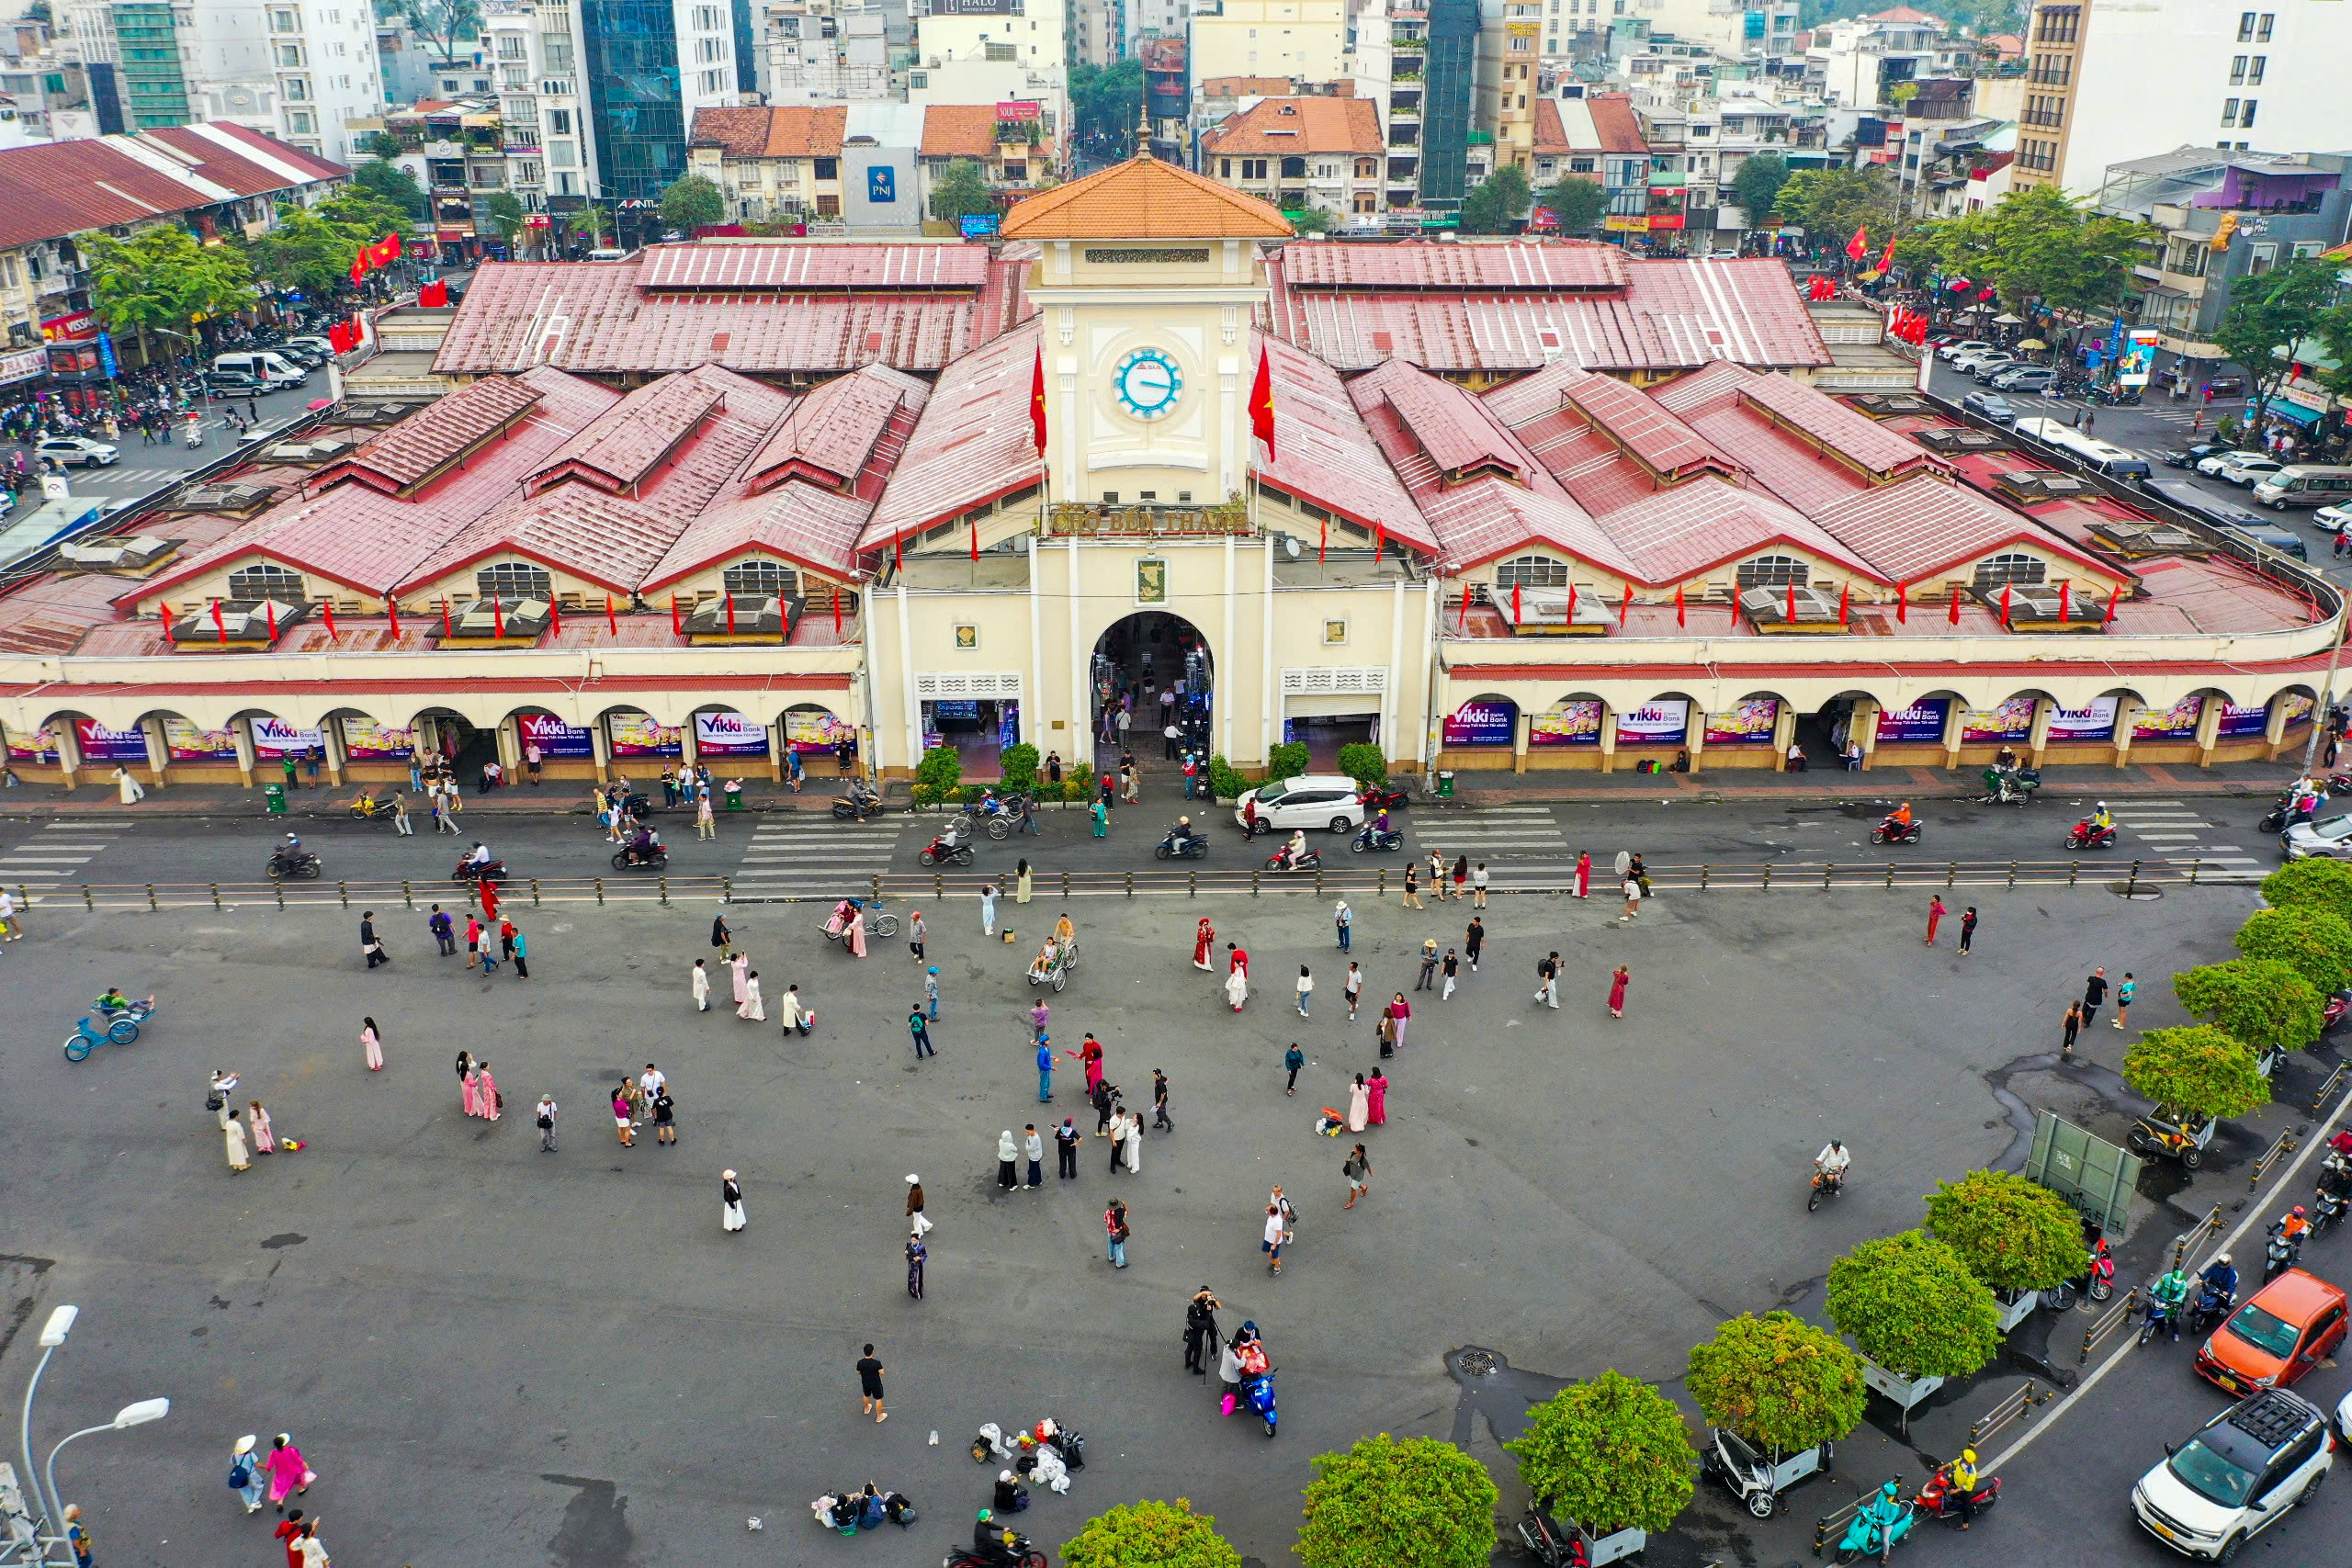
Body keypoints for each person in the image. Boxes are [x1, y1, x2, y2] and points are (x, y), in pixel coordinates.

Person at [2148, 1264, 2189, 1338]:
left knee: (2176, 1319)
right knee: (2151, 1308)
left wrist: (2174, 1301)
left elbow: (2181, 1295)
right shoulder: (2166, 1277)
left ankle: (2175, 1333)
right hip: (2162, 1298)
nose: (2176, 1283)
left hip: (2174, 1302)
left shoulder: (2183, 1285)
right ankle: (2147, 1320)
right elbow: (2158, 1285)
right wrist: (2152, 1291)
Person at [721, 1169, 746, 1233]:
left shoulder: (734, 1183)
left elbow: (737, 1190)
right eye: (733, 1177)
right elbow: (728, 1197)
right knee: (733, 1215)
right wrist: (732, 1205)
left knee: (738, 1212)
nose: (734, 1177)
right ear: (729, 1179)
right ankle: (736, 1226)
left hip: (736, 1201)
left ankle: (739, 1223)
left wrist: (740, 1197)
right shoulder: (727, 1188)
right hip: (732, 1203)